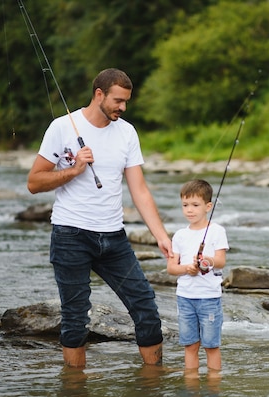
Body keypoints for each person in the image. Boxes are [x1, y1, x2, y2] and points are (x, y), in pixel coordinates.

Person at [27, 68, 173, 368]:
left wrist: (161, 236)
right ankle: (75, 394)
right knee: (75, 318)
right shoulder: (62, 127)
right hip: (70, 236)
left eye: (126, 101)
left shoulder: (127, 132)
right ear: (99, 94)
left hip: (113, 238)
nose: (123, 107)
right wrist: (74, 170)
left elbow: (140, 190)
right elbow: (34, 182)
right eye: (118, 100)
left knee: (145, 307)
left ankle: (153, 386)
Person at [166, 179, 229, 374]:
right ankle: (191, 385)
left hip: (209, 297)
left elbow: (221, 261)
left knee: (211, 345)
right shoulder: (179, 235)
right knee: (190, 345)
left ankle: (213, 385)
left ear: (208, 206)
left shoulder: (217, 231)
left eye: (195, 205)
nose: (189, 210)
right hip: (185, 298)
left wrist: (207, 261)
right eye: (185, 205)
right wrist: (187, 268)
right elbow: (171, 268)